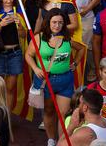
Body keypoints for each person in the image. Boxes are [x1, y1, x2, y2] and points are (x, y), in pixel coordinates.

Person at [25, 8, 84, 145]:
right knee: (49, 111)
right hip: (46, 81)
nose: (57, 25)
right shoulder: (39, 38)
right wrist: (35, 68)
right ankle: (51, 139)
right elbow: (28, 55)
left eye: (60, 22)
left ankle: (61, 142)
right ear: (48, 23)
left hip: (65, 80)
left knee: (63, 112)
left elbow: (81, 49)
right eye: (54, 22)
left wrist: (75, 63)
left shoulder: (67, 37)